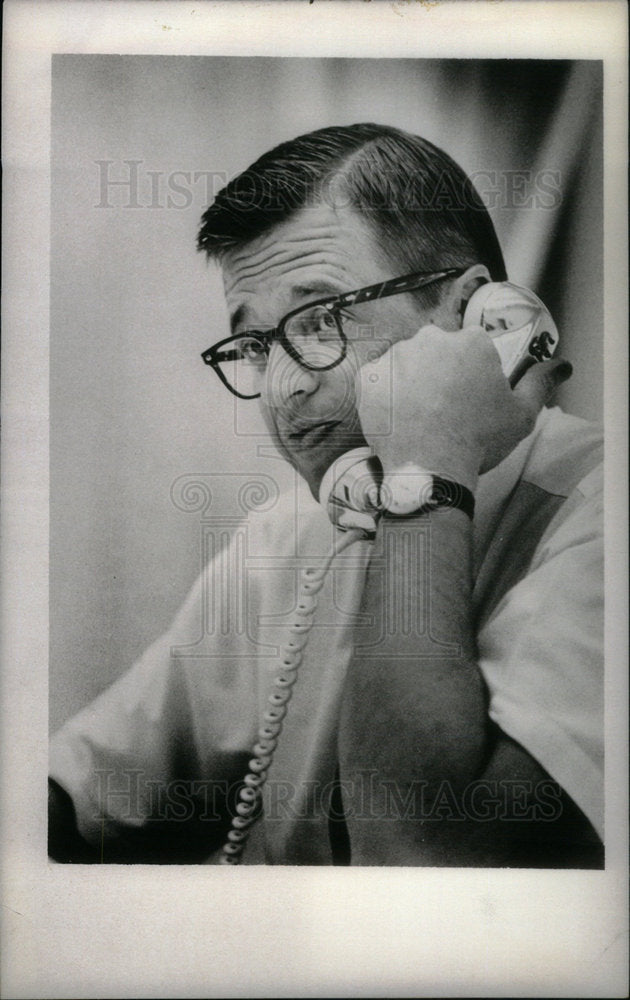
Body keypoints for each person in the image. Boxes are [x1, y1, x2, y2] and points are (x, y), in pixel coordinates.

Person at [49, 124, 604, 866]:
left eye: (320, 320)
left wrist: (431, 466)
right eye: (254, 346)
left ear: (477, 317)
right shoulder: (290, 534)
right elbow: (87, 788)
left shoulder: (604, 516)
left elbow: (420, 857)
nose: (284, 386)